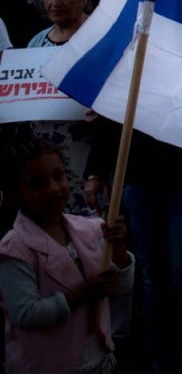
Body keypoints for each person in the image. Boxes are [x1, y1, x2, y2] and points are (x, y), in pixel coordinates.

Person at [0, 137, 134, 374]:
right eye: (37, 183)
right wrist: (82, 294)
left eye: (58, 176)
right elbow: (27, 314)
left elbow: (121, 286)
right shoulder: (14, 248)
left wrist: (119, 248)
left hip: (98, 359)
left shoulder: (92, 228)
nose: (53, 188)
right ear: (15, 195)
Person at [25, 0, 98, 216]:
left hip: (89, 154)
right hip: (45, 155)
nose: (55, 2)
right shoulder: (36, 42)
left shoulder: (101, 39)